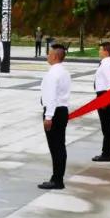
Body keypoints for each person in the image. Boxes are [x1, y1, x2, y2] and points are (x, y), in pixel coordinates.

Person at [39, 44, 71, 189]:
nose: (47, 56)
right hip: (62, 110)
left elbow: (51, 96)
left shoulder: (53, 74)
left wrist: (48, 117)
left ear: (55, 56)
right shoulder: (64, 72)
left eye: (49, 54)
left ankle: (57, 180)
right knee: (60, 146)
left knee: (56, 147)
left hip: (54, 112)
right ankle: (58, 177)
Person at [92, 41, 110, 162]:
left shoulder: (106, 64)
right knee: (107, 126)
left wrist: (106, 100)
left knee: (107, 127)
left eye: (100, 49)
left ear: (106, 52)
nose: (99, 51)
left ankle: (106, 154)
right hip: (104, 96)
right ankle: (106, 152)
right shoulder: (106, 63)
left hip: (105, 96)